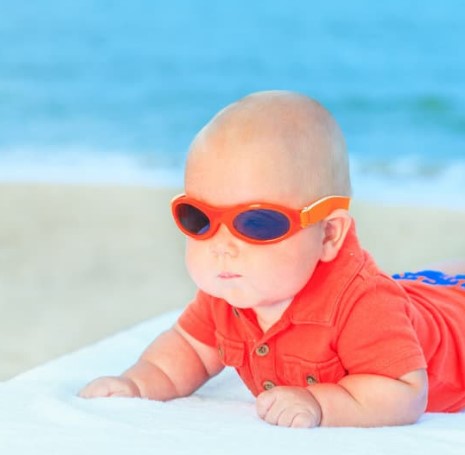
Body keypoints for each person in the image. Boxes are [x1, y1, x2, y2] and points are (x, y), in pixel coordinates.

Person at [79, 91, 465, 428]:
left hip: (454, 328)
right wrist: (137, 384)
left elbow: (404, 391)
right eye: (199, 219)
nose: (222, 245)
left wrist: (320, 404)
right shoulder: (230, 289)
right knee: (422, 285)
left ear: (328, 234)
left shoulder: (363, 305)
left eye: (258, 222)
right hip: (412, 296)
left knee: (442, 292)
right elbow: (190, 349)